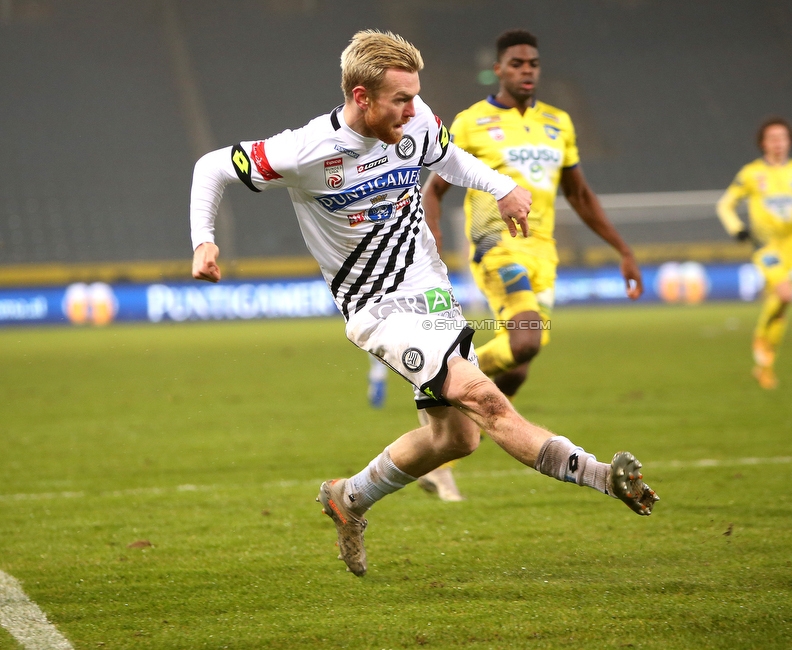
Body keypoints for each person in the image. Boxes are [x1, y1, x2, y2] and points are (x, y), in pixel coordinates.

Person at [188, 30, 658, 577]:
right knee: (483, 398)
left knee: (456, 438)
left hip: (431, 292)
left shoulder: (415, 121)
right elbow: (212, 167)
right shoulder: (305, 150)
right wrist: (204, 238)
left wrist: (501, 187)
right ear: (361, 97)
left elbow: (451, 158)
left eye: (416, 96)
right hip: (377, 307)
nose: (414, 110)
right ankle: (603, 475)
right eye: (401, 99)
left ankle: (348, 498)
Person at [416, 29, 644, 500]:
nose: (526, 71)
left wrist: (622, 248)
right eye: (517, 63)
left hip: (544, 251)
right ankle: (442, 377)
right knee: (526, 340)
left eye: (533, 64)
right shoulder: (471, 122)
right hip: (494, 241)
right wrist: (433, 236)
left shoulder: (558, 122)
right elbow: (433, 188)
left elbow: (578, 194)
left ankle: (440, 458)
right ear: (498, 69)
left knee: (518, 366)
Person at [716, 117, 792, 389]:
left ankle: (764, 367)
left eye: (783, 137)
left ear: (789, 142)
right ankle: (759, 340)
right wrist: (737, 229)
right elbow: (725, 205)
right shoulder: (751, 174)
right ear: (763, 143)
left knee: (781, 304)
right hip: (764, 244)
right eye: (772, 138)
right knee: (785, 292)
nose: (778, 143)